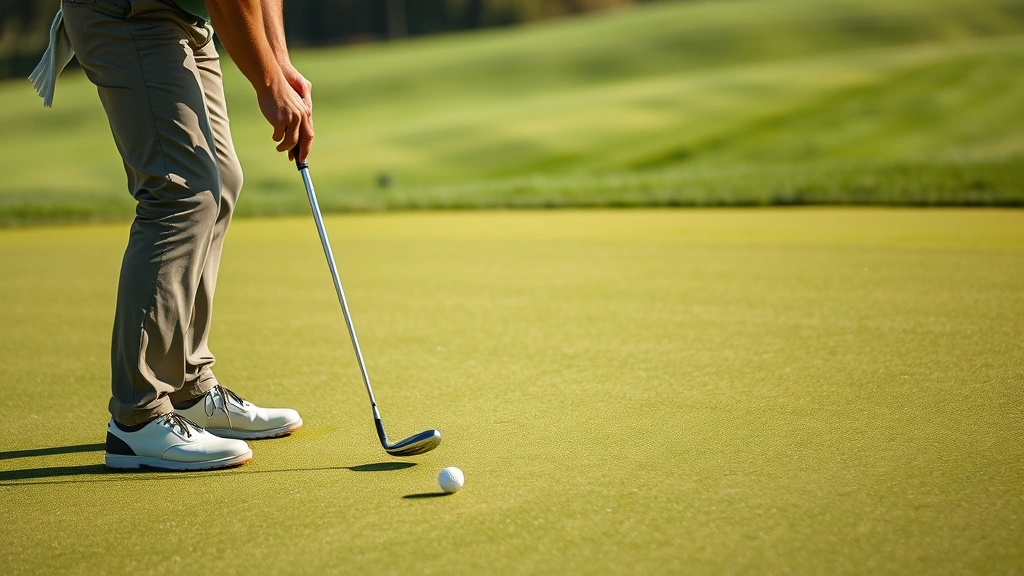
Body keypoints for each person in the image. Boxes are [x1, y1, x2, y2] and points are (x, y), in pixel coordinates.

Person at [30, 0, 314, 471]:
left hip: (184, 15)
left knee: (221, 182)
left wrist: (280, 63)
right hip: (126, 12)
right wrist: (268, 83)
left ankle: (188, 388)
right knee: (181, 192)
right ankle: (138, 417)